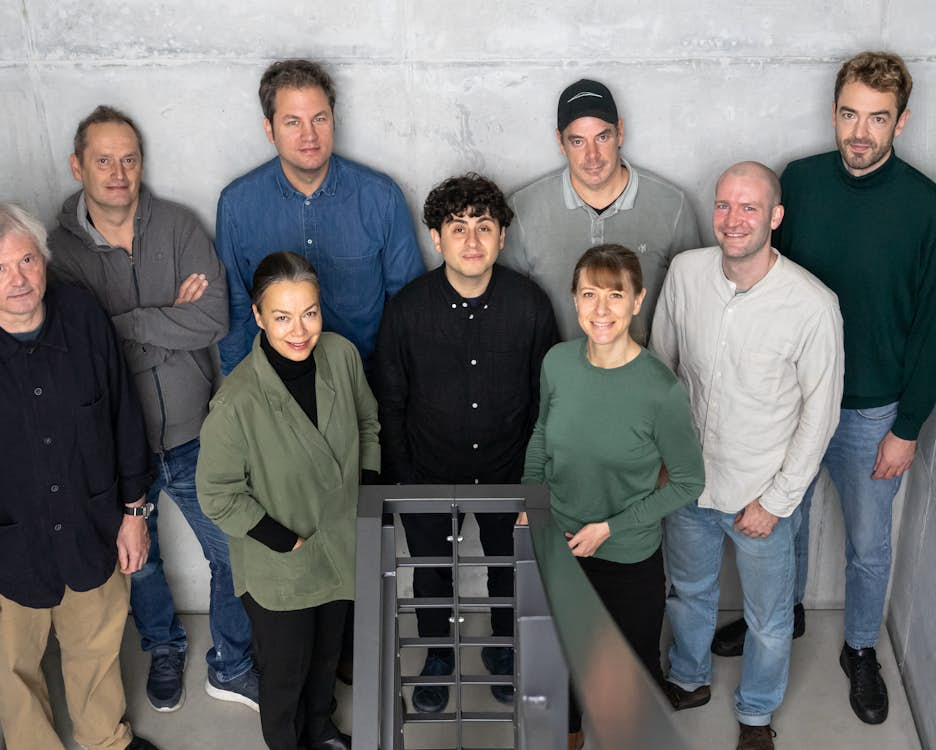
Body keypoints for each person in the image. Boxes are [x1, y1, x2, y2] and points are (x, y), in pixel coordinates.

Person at [710, 51, 936, 727]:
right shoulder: (799, 183)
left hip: (873, 410)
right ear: (834, 112)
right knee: (784, 522)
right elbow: (761, 276)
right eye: (849, 114)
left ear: (901, 121)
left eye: (877, 118)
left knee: (869, 543)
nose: (860, 132)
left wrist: (908, 426)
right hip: (792, 400)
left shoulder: (925, 204)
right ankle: (783, 617)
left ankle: (861, 649)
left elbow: (932, 325)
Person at [48, 105, 257, 713]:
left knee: (232, 552)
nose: (119, 172)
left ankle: (232, 661)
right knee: (139, 562)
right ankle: (162, 646)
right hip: (115, 446)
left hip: (196, 430)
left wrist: (128, 323)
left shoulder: (179, 226)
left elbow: (213, 318)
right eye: (104, 159)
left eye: (129, 158)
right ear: (77, 165)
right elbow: (76, 351)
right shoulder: (58, 253)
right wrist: (171, 315)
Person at [0, 204, 159, 750]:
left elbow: (124, 418)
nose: (19, 279)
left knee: (98, 648)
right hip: (3, 546)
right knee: (12, 667)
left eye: (28, 260)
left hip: (92, 525)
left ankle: (106, 739)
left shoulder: (82, 316)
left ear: (43, 260)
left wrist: (134, 514)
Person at [652, 162, 844, 750]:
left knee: (767, 618)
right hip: (688, 485)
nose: (733, 220)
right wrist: (661, 461)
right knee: (688, 594)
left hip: (761, 493)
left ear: (775, 217)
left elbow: (820, 415)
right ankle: (687, 679)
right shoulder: (686, 273)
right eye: (724, 206)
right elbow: (661, 369)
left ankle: (756, 716)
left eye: (750, 208)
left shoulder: (813, 305)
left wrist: (778, 501)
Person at [374, 173, 558, 713]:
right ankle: (437, 653)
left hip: (510, 468)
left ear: (502, 236)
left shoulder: (530, 305)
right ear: (436, 237)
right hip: (429, 471)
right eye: (458, 228)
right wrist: (406, 479)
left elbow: (546, 396)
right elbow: (390, 402)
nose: (472, 240)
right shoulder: (407, 311)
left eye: (484, 227)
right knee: (431, 568)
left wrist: (534, 477)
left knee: (509, 563)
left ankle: (503, 645)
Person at [522, 244, 704, 750]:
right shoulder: (557, 363)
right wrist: (530, 501)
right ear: (575, 301)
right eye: (589, 294)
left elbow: (690, 481)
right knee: (560, 659)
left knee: (629, 672)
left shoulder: (660, 390)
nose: (601, 310)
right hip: (558, 542)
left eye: (615, 295)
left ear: (638, 301)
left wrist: (609, 528)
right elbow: (541, 434)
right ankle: (570, 733)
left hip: (626, 555)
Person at [197, 251, 379, 750]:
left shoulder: (341, 356)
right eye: (282, 317)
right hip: (281, 562)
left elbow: (368, 422)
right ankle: (289, 742)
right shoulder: (236, 402)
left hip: (339, 544)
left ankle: (320, 729)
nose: (299, 330)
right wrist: (287, 541)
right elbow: (216, 494)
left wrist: (363, 493)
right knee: (285, 674)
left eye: (310, 312)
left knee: (325, 657)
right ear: (257, 316)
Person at [216, 58, 424, 377]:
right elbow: (236, 308)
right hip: (277, 389)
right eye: (292, 122)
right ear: (269, 129)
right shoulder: (236, 205)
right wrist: (239, 387)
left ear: (333, 120)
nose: (309, 135)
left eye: (319, 118)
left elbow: (409, 303)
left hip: (366, 383)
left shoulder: (380, 197)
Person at [501, 78, 699, 344]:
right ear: (560, 142)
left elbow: (690, 308)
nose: (592, 155)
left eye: (602, 137)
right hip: (554, 379)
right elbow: (505, 309)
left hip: (643, 377)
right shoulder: (523, 210)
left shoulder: (672, 206)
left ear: (620, 132)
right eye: (578, 141)